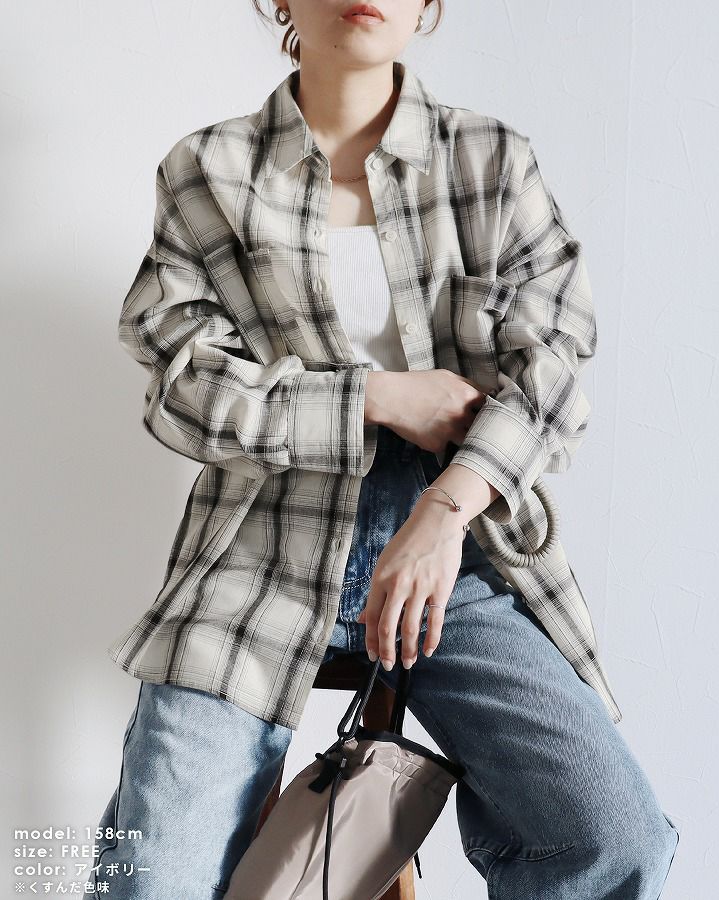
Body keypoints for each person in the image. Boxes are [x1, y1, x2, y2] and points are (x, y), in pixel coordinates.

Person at [86, 2, 680, 898]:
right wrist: (377, 395)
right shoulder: (208, 168)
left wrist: (444, 512)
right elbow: (185, 390)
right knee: (151, 878)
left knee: (613, 836)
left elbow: (553, 377)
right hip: (258, 546)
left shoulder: (491, 161)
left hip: (460, 552)